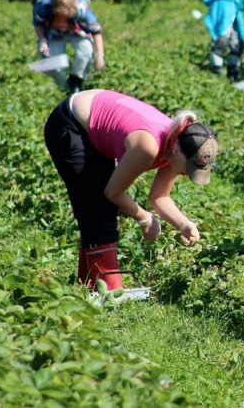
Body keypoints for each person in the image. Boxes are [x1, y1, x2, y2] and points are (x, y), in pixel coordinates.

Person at [44, 89, 219, 291]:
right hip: (70, 124)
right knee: (99, 207)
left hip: (95, 124)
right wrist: (144, 218)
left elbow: (159, 197)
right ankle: (108, 291)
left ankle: (88, 286)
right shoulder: (148, 146)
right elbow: (113, 192)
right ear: (177, 151)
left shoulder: (177, 143)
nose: (186, 174)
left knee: (97, 211)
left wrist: (184, 225)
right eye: (188, 168)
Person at [32, 0, 106, 94]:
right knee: (54, 63)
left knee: (86, 51)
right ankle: (63, 88)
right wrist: (42, 40)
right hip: (53, 32)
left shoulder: (82, 9)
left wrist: (99, 55)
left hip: (76, 29)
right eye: (59, 15)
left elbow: (96, 31)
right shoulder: (42, 6)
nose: (62, 20)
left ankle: (76, 81)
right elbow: (38, 25)